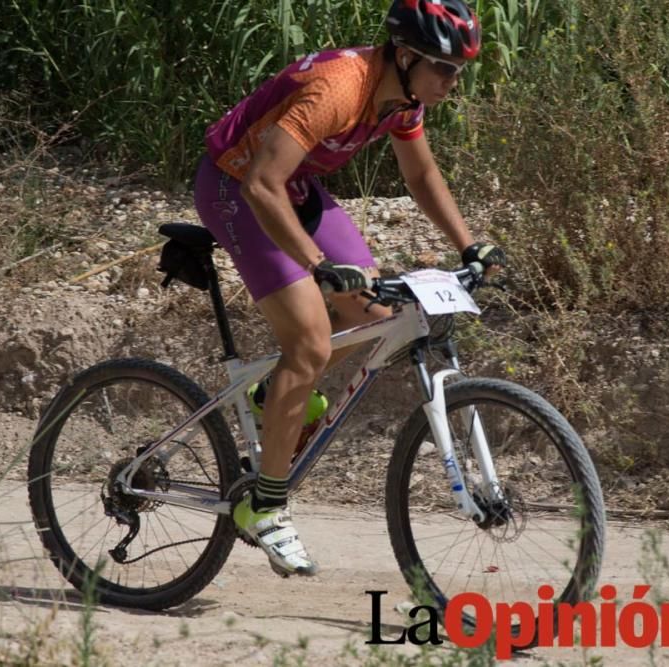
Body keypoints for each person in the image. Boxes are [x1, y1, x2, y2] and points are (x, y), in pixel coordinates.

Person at [193, 0, 506, 577]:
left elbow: (421, 174)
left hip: (295, 187)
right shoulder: (340, 88)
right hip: (238, 187)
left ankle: (273, 397)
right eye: (444, 68)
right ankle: (263, 506)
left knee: (374, 308)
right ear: (406, 56)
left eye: (460, 71)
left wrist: (468, 244)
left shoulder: (402, 98)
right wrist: (315, 264)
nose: (452, 83)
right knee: (309, 343)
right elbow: (263, 182)